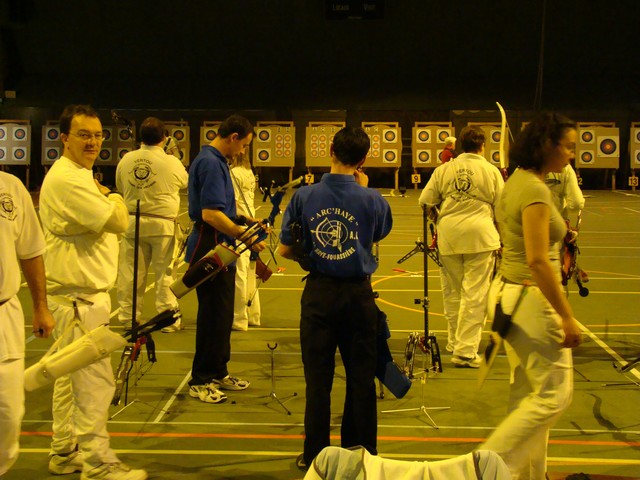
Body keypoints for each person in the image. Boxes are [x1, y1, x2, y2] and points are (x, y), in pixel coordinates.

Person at [39, 104, 147, 480]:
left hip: (79, 298)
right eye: (84, 134)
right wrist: (113, 195)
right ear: (64, 138)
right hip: (78, 301)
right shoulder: (68, 179)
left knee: (70, 381)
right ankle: (98, 464)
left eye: (98, 135)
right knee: (93, 384)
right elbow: (118, 221)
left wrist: (103, 194)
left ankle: (64, 452)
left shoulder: (79, 175)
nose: (93, 142)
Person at [277, 126, 393, 470]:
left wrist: (312, 256)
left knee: (318, 381)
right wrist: (364, 191)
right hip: (358, 296)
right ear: (363, 160)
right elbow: (376, 234)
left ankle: (316, 455)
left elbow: (285, 249)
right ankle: (359, 455)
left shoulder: (304, 196)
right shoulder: (373, 199)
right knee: (361, 380)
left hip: (319, 294)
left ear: (330, 150)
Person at [479, 112, 582, 479]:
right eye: (568, 146)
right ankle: (486, 466)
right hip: (530, 299)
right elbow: (538, 261)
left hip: (508, 295)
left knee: (527, 396)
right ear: (546, 145)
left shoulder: (517, 181)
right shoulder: (535, 191)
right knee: (555, 395)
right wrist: (566, 315)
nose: (572, 154)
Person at [184, 114, 266, 404]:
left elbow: (222, 208)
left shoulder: (217, 161)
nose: (243, 150)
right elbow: (209, 214)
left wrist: (244, 220)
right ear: (233, 137)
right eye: (244, 145)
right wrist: (244, 235)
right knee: (212, 316)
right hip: (211, 246)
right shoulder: (210, 162)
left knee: (222, 314)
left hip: (222, 245)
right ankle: (200, 379)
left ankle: (218, 371)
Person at [419, 126, 504, 368]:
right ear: (482, 145)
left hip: (449, 236)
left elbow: (425, 201)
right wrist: (503, 239)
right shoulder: (491, 171)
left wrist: (438, 218)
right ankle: (465, 352)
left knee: (454, 292)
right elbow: (502, 210)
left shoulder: (444, 169)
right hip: (481, 236)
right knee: (475, 294)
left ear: (459, 146)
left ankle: (456, 343)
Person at [0, 171, 55, 477]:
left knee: (8, 413)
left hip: (4, 313)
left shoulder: (10, 187)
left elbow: (31, 251)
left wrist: (40, 306)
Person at [115, 117, 188, 333]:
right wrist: (172, 155)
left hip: (133, 223)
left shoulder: (127, 159)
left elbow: (120, 186)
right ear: (164, 138)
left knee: (130, 273)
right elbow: (185, 182)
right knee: (165, 273)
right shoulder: (171, 161)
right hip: (162, 225)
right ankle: (168, 320)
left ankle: (128, 318)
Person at [229, 150, 261, 331]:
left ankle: (239, 319)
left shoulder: (234, 173)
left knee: (239, 273)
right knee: (249, 271)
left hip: (240, 226)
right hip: (251, 225)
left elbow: (232, 204)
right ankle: (253, 315)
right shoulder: (249, 173)